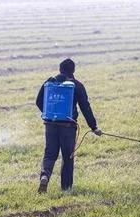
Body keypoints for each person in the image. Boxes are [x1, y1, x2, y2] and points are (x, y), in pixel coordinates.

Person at [36, 58, 102, 193]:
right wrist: (94, 127)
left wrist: (49, 112)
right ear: (73, 71)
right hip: (68, 127)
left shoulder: (50, 82)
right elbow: (85, 107)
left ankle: (45, 176)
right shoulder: (76, 85)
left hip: (50, 124)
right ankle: (66, 189)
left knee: (49, 154)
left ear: (60, 69)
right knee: (67, 157)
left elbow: (38, 101)